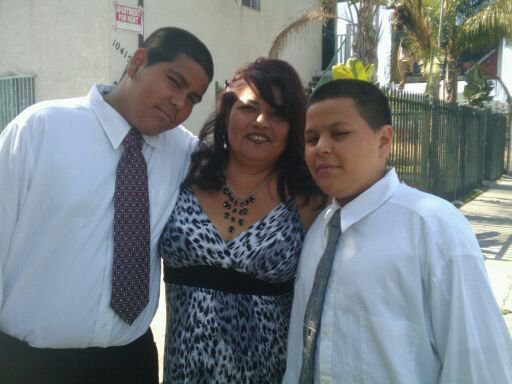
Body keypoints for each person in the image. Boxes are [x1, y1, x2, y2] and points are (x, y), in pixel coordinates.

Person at [0, 27, 213, 384]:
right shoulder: (40, 129)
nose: (181, 104)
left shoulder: (183, 153)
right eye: (174, 82)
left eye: (193, 98)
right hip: (31, 364)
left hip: (129, 361)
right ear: (137, 62)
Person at [283, 79, 512, 383]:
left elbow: (477, 362)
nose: (322, 147)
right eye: (311, 139)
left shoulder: (432, 227)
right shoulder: (319, 232)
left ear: (384, 140)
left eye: (339, 134)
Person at [158, 57, 324, 383]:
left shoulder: (310, 200)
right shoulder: (183, 172)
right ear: (227, 112)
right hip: (183, 373)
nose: (261, 121)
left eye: (278, 114)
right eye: (249, 108)